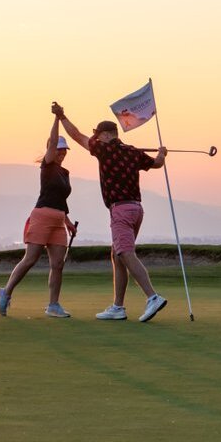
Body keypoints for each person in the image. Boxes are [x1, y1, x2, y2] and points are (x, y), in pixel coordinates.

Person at [52, 101, 170, 322]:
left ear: (106, 135)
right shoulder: (132, 152)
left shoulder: (104, 150)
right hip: (136, 209)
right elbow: (156, 164)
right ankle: (118, 307)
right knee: (117, 256)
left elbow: (77, 136)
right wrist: (162, 154)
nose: (94, 138)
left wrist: (62, 116)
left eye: (98, 135)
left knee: (125, 253)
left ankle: (152, 297)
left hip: (121, 209)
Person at [0, 111, 77, 318]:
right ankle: (6, 292)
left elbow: (62, 199)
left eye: (64, 150)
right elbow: (50, 146)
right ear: (52, 149)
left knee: (58, 264)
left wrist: (67, 221)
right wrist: (57, 118)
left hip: (58, 220)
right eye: (59, 149)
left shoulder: (64, 173)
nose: (62, 153)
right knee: (31, 258)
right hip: (41, 216)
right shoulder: (47, 166)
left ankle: (53, 305)